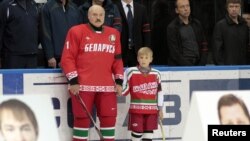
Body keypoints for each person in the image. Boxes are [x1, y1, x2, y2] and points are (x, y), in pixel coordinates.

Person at [60, 5, 124, 141]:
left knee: (109, 119)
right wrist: (73, 81)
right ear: (88, 16)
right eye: (94, 15)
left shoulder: (114, 34)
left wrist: (119, 81)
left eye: (101, 15)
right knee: (82, 120)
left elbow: (117, 60)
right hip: (82, 86)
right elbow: (67, 58)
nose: (98, 18)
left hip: (107, 86)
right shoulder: (76, 31)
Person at [121, 47, 164, 141]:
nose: (143, 60)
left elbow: (160, 93)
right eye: (141, 57)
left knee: (148, 136)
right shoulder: (131, 72)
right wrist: (118, 88)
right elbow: (124, 91)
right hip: (137, 111)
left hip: (152, 111)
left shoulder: (157, 74)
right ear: (137, 58)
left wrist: (160, 109)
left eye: (146, 57)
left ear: (151, 59)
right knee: (136, 135)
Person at [40, 0, 82, 68]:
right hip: (55, 59)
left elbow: (79, 33)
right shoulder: (47, 7)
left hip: (72, 56)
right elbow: (45, 33)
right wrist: (50, 56)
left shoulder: (74, 8)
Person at [167, 0, 208, 66]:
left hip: (198, 64)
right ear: (177, 10)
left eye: (187, 6)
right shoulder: (172, 27)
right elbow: (174, 53)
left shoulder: (197, 24)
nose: (186, 9)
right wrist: (188, 66)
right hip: (180, 67)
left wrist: (202, 63)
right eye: (182, 7)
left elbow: (204, 44)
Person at [0, 0, 40, 69]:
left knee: (31, 80)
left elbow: (38, 29)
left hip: (32, 56)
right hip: (12, 57)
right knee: (12, 80)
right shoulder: (5, 5)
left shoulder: (34, 5)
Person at [212, 0, 250, 65]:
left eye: (236, 6)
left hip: (244, 67)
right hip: (227, 68)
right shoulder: (220, 25)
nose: (234, 9)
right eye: (231, 6)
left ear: (240, 8)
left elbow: (247, 48)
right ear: (227, 8)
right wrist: (222, 67)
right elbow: (217, 50)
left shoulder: (244, 25)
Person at [115, 0, 151, 67]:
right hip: (119, 52)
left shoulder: (141, 9)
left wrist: (146, 50)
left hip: (138, 52)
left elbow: (146, 32)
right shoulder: (114, 8)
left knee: (137, 76)